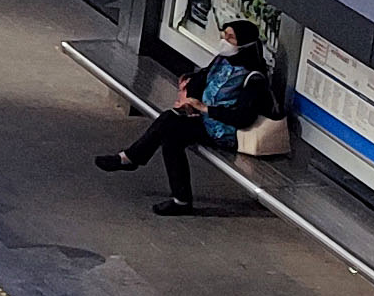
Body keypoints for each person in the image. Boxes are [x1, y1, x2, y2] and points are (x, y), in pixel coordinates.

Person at [98, 18, 273, 216]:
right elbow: (202, 79)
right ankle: (177, 197)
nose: (224, 40)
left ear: (244, 43)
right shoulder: (221, 61)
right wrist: (190, 97)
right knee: (171, 133)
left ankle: (131, 159)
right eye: (223, 35)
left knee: (169, 124)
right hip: (204, 120)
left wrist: (205, 108)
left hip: (226, 131)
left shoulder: (254, 78)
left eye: (230, 38)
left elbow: (243, 117)